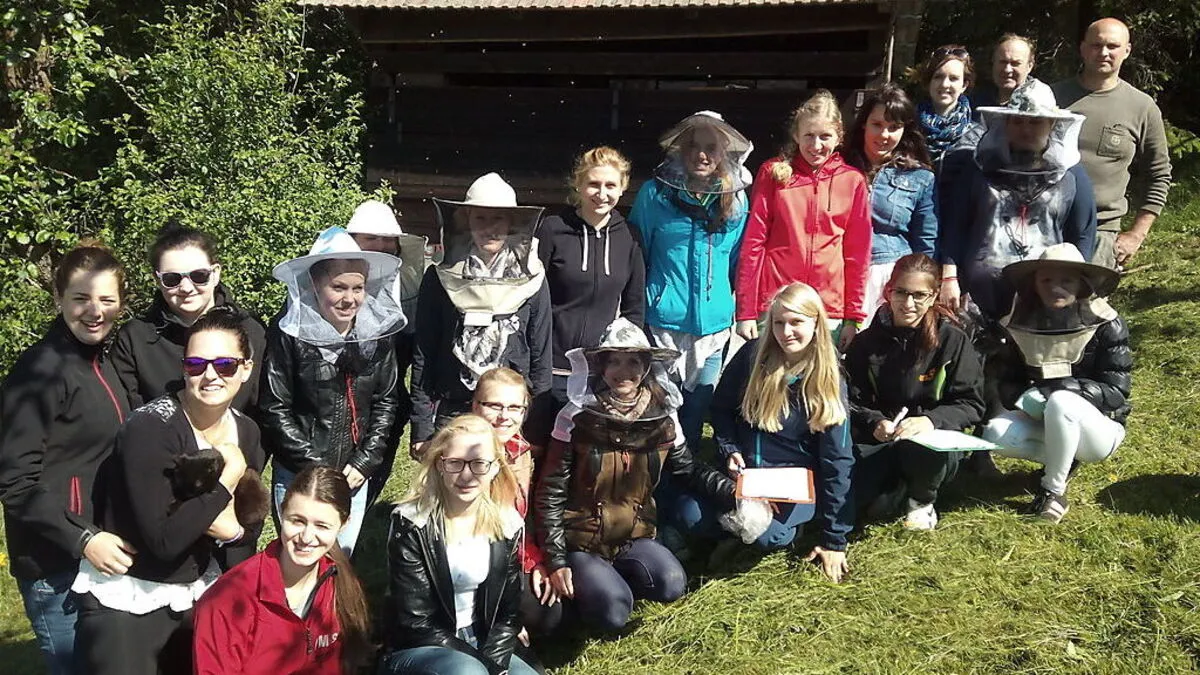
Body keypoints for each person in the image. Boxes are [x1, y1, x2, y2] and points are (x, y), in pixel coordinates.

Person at [72, 310, 265, 675]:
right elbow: (164, 540)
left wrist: (234, 533)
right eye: (196, 364)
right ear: (183, 368)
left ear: (245, 369)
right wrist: (226, 482)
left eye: (225, 365)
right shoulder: (150, 428)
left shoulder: (246, 431)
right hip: (131, 598)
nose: (210, 375)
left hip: (198, 594)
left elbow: (248, 522)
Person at [535, 318, 735, 630]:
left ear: (646, 367)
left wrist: (735, 492)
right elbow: (551, 492)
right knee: (613, 613)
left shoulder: (663, 415)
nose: (623, 371)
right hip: (582, 539)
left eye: (632, 362)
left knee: (672, 582)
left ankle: (616, 579)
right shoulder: (575, 417)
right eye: (614, 361)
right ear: (601, 367)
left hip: (634, 535)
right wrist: (556, 560)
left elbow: (688, 468)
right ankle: (590, 594)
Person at [0, 245, 133, 675]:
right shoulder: (40, 371)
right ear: (59, 299)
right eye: (81, 298)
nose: (95, 311)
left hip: (100, 555)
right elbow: (15, 481)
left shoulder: (104, 362)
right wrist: (83, 538)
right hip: (55, 565)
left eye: (107, 299)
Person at [259, 227, 404, 554]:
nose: (349, 299)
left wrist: (366, 460)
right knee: (299, 555)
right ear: (315, 284)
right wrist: (315, 465)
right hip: (300, 473)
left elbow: (386, 400)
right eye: (338, 287)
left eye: (358, 288)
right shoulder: (288, 333)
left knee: (341, 560)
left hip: (353, 474)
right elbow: (274, 406)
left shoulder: (377, 333)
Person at [713, 283, 853, 582]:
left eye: (796, 322)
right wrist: (729, 449)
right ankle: (728, 532)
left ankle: (793, 527)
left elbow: (838, 460)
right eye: (778, 322)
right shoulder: (752, 356)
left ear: (816, 323)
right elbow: (721, 409)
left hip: (793, 485)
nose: (786, 332)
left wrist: (834, 540)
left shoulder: (829, 379)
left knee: (771, 536)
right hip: (745, 475)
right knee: (690, 517)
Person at [629, 111, 752, 450]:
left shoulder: (736, 199)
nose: (701, 155)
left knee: (696, 416)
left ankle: (689, 478)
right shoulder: (654, 195)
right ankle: (656, 478)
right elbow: (639, 254)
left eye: (710, 147)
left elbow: (736, 260)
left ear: (723, 152)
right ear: (680, 150)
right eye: (693, 146)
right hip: (663, 323)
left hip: (713, 329)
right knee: (659, 414)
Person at [983, 244, 1131, 523]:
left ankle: (1052, 492)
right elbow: (1008, 381)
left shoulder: (1107, 323)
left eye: (1066, 281)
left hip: (1100, 429)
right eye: (1046, 280)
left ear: (1082, 284)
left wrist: (1067, 390)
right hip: (1044, 418)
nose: (1055, 288)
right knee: (995, 433)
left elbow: (1116, 391)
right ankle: (1063, 461)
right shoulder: (1018, 322)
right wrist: (1024, 398)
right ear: (1034, 284)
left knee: (1062, 402)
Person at [380, 414, 539, 675]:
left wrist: (495, 665)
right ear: (440, 465)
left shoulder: (506, 523)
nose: (467, 475)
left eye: (479, 464)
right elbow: (416, 623)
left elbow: (507, 614)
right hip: (422, 644)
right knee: (468, 671)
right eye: (455, 463)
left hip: (481, 637)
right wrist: (487, 668)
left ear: (495, 467)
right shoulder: (412, 523)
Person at [411, 173, 552, 456]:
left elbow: (540, 355)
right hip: (454, 409)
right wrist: (422, 429)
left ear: (511, 223)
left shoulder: (533, 278)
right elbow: (424, 353)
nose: (490, 228)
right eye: (481, 219)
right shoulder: (440, 277)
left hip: (509, 416)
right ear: (467, 222)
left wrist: (535, 429)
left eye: (498, 218)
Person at [938, 78, 1097, 322]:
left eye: (1035, 122)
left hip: (1042, 298)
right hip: (978, 296)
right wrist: (949, 277)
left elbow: (1083, 234)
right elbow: (955, 225)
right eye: (1018, 121)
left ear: (1052, 124)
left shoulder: (1071, 175)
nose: (1026, 130)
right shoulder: (978, 167)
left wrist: (1075, 287)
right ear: (1006, 123)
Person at [846, 254, 985, 530]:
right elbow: (851, 400)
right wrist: (875, 422)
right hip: (881, 438)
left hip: (933, 444)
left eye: (919, 295)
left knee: (920, 449)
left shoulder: (952, 339)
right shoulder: (865, 343)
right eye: (901, 293)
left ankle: (921, 501)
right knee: (854, 501)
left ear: (934, 296)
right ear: (888, 291)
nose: (908, 304)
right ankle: (893, 486)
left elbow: (971, 404)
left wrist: (930, 420)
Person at [192, 466, 373, 675]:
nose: (306, 537)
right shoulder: (227, 600)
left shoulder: (340, 585)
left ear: (343, 525)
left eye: (322, 526)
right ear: (281, 512)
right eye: (297, 521)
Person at [736, 91, 871, 350]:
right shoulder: (773, 174)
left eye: (825, 136)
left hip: (828, 308)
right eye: (809, 135)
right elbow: (754, 243)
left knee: (820, 375)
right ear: (796, 135)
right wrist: (746, 311)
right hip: (778, 304)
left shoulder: (852, 181)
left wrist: (853, 316)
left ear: (839, 137)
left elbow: (857, 254)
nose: (816, 145)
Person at [532, 147, 645, 446]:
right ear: (578, 185)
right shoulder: (552, 229)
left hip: (600, 373)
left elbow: (634, 308)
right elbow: (532, 297)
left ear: (622, 187)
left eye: (610, 185)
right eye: (594, 184)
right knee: (543, 450)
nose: (602, 194)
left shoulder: (630, 236)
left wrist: (622, 365)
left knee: (589, 455)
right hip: (551, 366)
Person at [1052, 17, 1172, 269]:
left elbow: (1159, 175)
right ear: (1083, 48)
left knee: (1088, 297)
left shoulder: (1142, 107)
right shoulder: (1052, 98)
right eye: (1096, 45)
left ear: (1126, 51)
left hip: (1101, 233)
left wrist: (1136, 234)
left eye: (1113, 46)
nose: (1104, 52)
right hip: (1045, 225)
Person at [112, 225, 266, 413]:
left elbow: (267, 410)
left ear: (215, 273)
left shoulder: (252, 332)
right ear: (157, 280)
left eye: (199, 276)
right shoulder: (134, 338)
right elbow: (128, 416)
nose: (186, 287)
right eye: (172, 279)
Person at [344, 199, 427, 507]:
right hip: (338, 403)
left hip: (387, 405)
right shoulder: (328, 285)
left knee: (369, 481)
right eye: (370, 238)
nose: (380, 245)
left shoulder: (407, 288)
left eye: (387, 239)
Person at [470, 368, 562, 637]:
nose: (504, 416)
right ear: (475, 406)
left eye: (514, 408)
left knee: (550, 611)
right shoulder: (461, 453)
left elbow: (519, 517)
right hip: (471, 564)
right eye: (493, 406)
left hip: (508, 554)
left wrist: (534, 561)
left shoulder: (520, 451)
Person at [844, 84, 938, 325]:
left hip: (890, 276)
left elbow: (925, 240)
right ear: (864, 124)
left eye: (894, 127)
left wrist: (923, 286)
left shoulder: (919, 177)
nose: (884, 135)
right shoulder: (838, 167)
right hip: (840, 271)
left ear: (905, 130)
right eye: (877, 124)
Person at [917, 45, 975, 166]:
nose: (944, 84)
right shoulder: (908, 128)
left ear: (964, 85)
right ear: (928, 82)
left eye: (953, 78)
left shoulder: (976, 136)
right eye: (938, 77)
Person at [975, 34, 1036, 110]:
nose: (1007, 70)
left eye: (1015, 63)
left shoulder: (1039, 102)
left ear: (1029, 66)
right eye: (1002, 62)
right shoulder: (975, 101)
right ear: (993, 62)